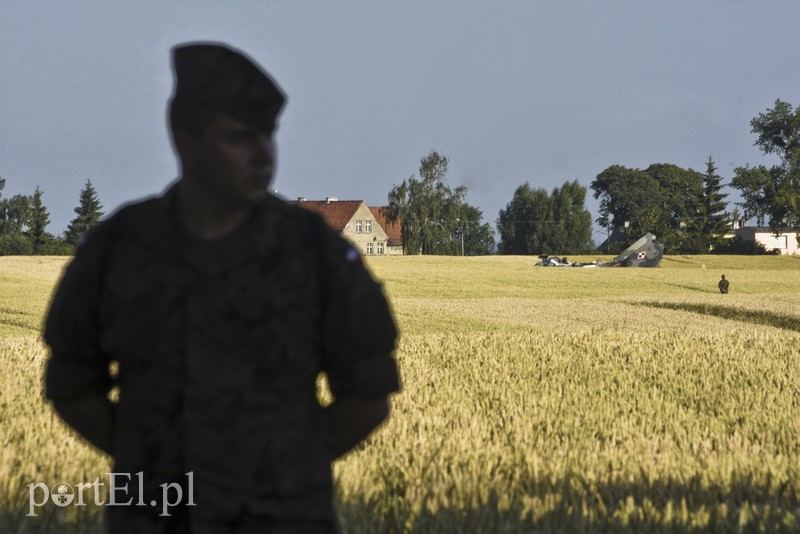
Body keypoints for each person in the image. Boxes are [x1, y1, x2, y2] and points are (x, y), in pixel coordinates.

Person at [43, 42, 400, 533]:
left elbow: (368, 395)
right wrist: (154, 465)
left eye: (269, 136)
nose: (264, 155)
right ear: (185, 141)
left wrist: (281, 469)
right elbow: (70, 384)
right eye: (240, 138)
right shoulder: (117, 250)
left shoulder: (317, 254)